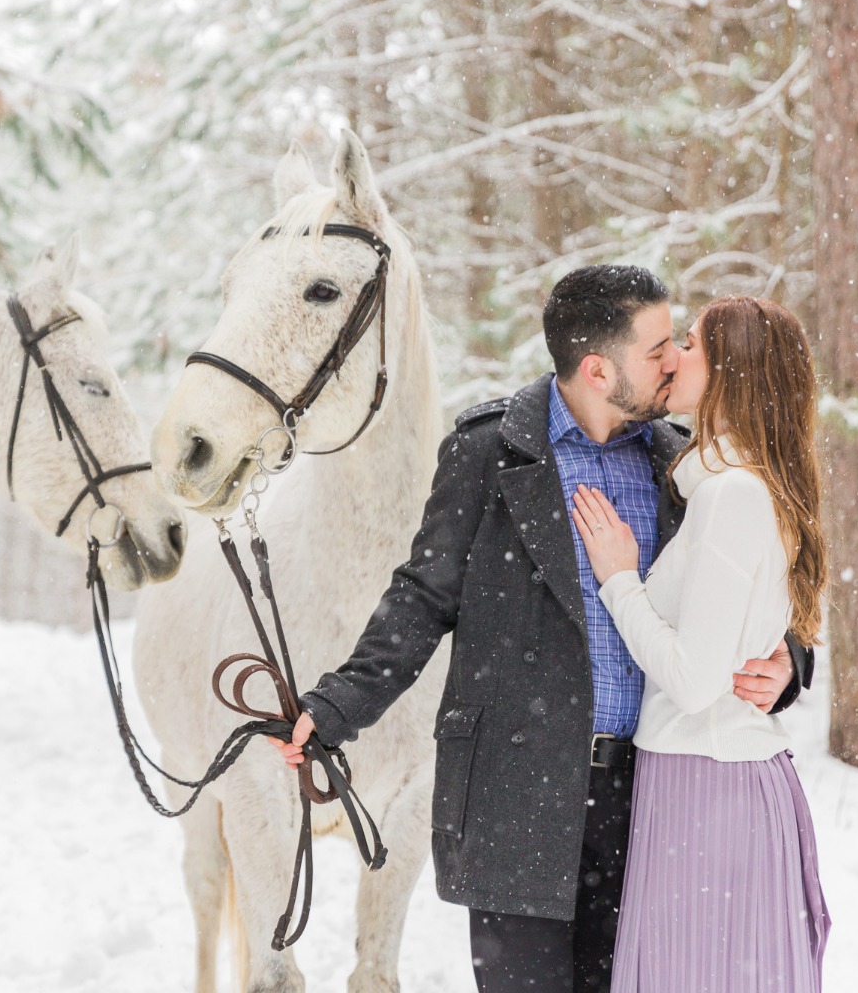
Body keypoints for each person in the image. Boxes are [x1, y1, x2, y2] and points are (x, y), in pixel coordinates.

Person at [268, 265, 812, 992]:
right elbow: (423, 596)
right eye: (657, 349)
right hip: (515, 797)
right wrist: (336, 707)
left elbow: (746, 587)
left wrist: (789, 663)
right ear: (598, 367)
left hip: (647, 798)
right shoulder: (490, 451)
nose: (673, 361)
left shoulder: (679, 462)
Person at [568, 295, 830, 990]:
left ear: (731, 374)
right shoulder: (725, 486)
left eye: (687, 344)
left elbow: (691, 678)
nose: (670, 358)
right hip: (698, 783)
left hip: (707, 789)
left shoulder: (732, 496)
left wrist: (619, 581)